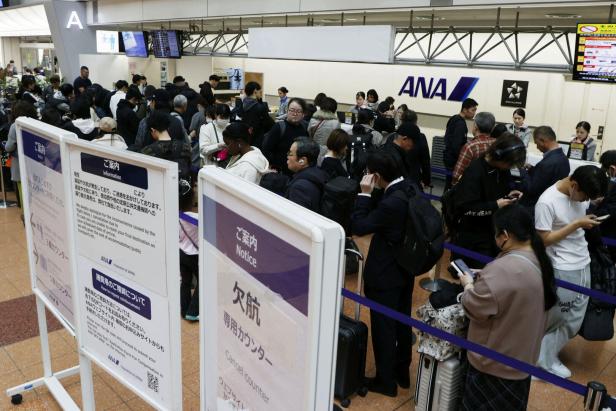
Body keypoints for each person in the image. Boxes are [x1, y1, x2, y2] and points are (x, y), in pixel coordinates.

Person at [459, 204, 558, 411]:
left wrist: (468, 285)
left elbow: (474, 306)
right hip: (522, 361)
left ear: (504, 235)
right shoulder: (541, 259)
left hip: (493, 364)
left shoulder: (503, 269)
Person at [535, 165, 608, 378]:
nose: (584, 201)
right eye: (585, 196)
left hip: (582, 261)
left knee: (574, 318)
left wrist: (590, 210)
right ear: (574, 185)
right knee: (559, 317)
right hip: (562, 267)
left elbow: (579, 210)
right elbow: (544, 239)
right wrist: (577, 224)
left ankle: (546, 357)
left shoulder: (579, 193)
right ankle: (542, 363)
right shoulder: (547, 201)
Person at [351, 151, 412, 398]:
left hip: (385, 272)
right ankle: (402, 372)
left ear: (375, 176)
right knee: (402, 321)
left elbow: (360, 226)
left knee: (384, 327)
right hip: (405, 266)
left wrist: (364, 194)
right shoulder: (409, 187)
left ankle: (386, 382)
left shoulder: (390, 203)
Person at [452, 134, 526, 267]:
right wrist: (496, 205)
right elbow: (465, 208)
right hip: (473, 235)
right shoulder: (475, 171)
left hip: (492, 231)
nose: (510, 167)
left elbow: (500, 190)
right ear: (499, 156)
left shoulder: (501, 169)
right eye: (510, 164)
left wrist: (509, 195)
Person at [518, 126, 570, 209]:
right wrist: (533, 169)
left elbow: (531, 189)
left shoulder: (547, 163)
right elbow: (547, 177)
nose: (537, 147)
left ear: (543, 141)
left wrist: (522, 170)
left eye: (536, 143)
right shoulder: (564, 158)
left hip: (535, 206)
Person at [262, 98, 309, 176]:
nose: (295, 114)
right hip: (280, 172)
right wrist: (273, 166)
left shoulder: (304, 127)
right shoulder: (279, 127)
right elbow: (266, 149)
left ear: (303, 113)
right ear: (287, 111)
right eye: (292, 110)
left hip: (298, 171)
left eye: (298, 111)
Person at [5, 100, 38, 209]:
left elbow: (9, 147)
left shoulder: (15, 126)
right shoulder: (36, 123)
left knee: (23, 192)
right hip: (36, 164)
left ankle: (26, 216)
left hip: (20, 164)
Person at [141, 110, 192, 180]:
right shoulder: (184, 147)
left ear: (153, 130)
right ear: (167, 127)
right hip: (181, 189)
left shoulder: (148, 151)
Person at [285, 137, 328, 213]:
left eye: (290, 154)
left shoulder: (300, 188)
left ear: (302, 161)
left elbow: (297, 218)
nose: (287, 156)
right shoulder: (319, 173)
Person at [452, 111, 496, 184]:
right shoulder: (497, 144)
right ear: (492, 128)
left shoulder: (470, 147)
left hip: (471, 190)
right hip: (491, 190)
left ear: (475, 126)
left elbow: (457, 175)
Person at [443, 98, 478, 188]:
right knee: (452, 185)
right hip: (453, 160)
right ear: (465, 110)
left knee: (449, 184)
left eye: (475, 110)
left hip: (448, 157)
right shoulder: (460, 124)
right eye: (472, 110)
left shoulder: (454, 118)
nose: (474, 113)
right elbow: (456, 146)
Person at [178, 179, 199, 321]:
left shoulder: (174, 215)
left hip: (181, 253)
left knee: (185, 282)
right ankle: (193, 312)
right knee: (202, 282)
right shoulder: (195, 218)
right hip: (195, 255)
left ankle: (184, 309)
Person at [399, 110, 431, 189]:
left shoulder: (395, 136)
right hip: (413, 178)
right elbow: (425, 161)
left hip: (395, 178)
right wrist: (426, 180)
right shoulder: (421, 137)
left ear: (402, 121)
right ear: (415, 121)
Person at [235, 81, 271, 148]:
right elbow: (268, 124)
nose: (260, 94)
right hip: (258, 138)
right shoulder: (260, 107)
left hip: (245, 137)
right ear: (255, 91)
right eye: (260, 92)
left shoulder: (243, 104)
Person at [595, 150, 616, 261]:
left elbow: (610, 211)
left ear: (612, 169)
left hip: (611, 236)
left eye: (608, 173)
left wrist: (591, 214)